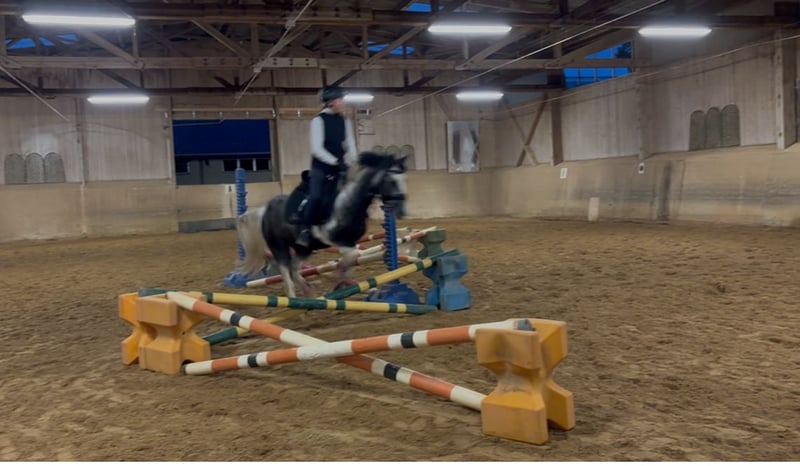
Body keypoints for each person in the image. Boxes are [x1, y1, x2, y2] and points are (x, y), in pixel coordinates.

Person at [296, 85, 358, 247]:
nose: (343, 102)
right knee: (316, 196)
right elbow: (317, 149)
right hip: (321, 167)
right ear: (330, 102)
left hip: (341, 167)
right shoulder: (318, 121)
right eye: (340, 99)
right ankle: (304, 229)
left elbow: (350, 144)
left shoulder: (345, 121)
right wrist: (335, 162)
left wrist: (355, 162)